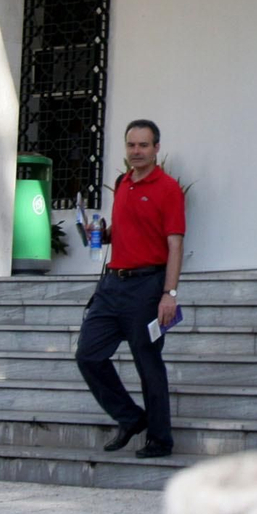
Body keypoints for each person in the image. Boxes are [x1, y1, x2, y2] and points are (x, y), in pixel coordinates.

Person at [74, 118, 185, 458]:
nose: (136, 151)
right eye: (131, 145)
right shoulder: (123, 183)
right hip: (112, 286)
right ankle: (131, 418)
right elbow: (123, 231)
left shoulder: (168, 189)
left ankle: (160, 439)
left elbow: (175, 245)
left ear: (156, 148)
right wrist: (99, 233)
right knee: (88, 354)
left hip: (147, 287)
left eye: (143, 145)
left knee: (147, 363)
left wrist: (169, 294)